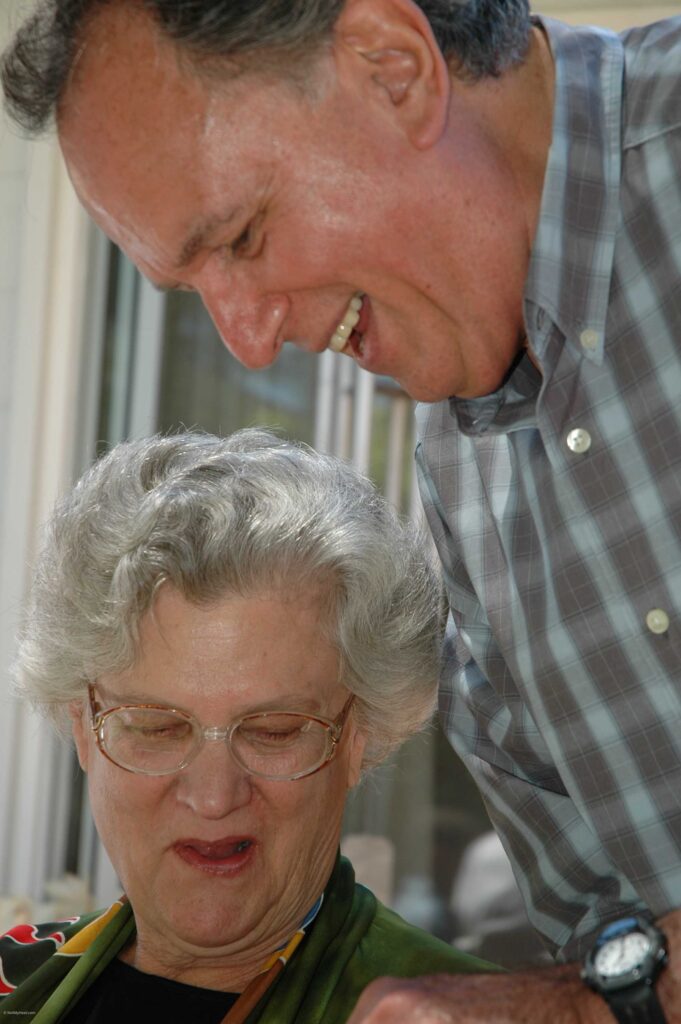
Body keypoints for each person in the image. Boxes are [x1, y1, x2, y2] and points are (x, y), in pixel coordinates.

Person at [2, 1, 681, 1021]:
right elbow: (614, 953)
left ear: (392, 65)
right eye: (154, 723)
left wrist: (583, 1004)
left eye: (243, 235)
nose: (247, 343)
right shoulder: (466, 480)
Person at [0, 429, 492, 1022]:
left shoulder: (469, 1012)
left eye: (275, 731)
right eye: (156, 727)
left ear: (359, 736)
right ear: (82, 726)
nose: (213, 797)